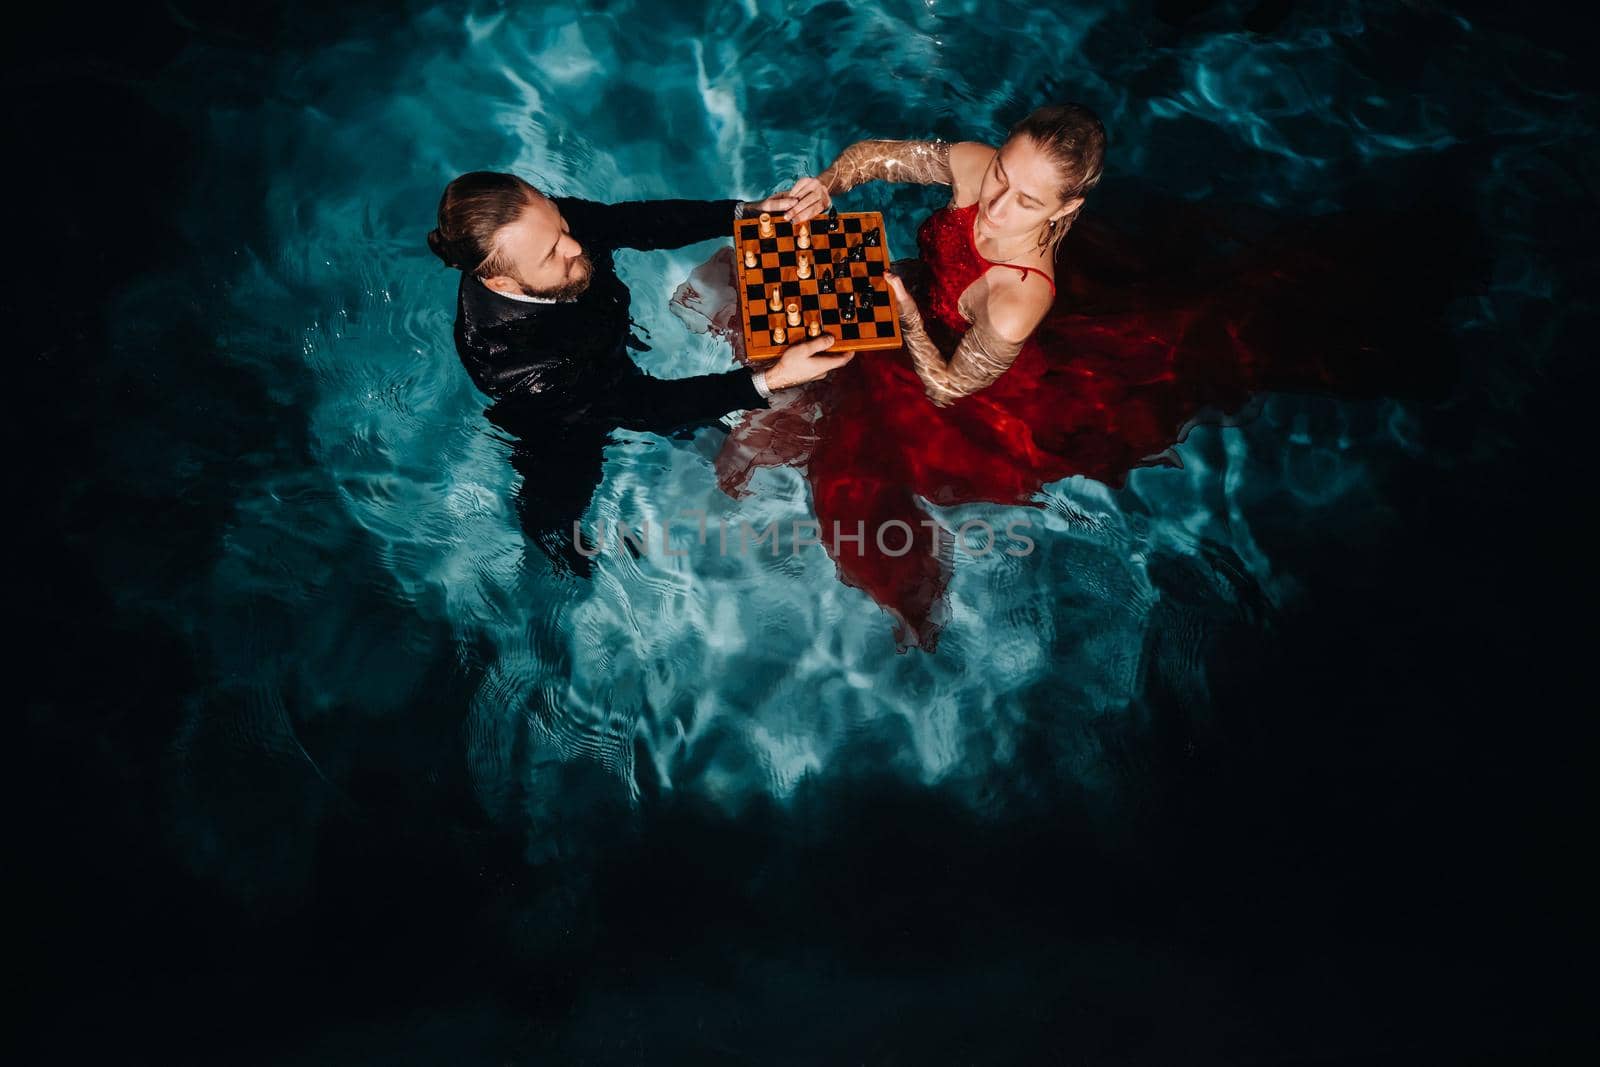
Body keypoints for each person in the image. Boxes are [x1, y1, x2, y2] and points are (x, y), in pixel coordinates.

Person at [677, 103, 1471, 652]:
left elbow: (955, 389)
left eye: (1026, 202)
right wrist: (832, 182)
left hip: (968, 373)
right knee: (776, 276)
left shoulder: (1022, 295)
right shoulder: (980, 170)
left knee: (857, 452)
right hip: (915, 305)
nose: (995, 207)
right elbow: (880, 155)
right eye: (999, 179)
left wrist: (905, 317)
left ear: (1064, 212)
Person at [428, 170, 846, 577]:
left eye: (560, 225)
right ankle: (550, 550)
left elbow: (631, 223)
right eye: (552, 253)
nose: (574, 247)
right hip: (564, 420)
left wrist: (741, 213)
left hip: (601, 347)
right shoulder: (515, 360)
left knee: (702, 421)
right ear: (503, 279)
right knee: (561, 498)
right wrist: (769, 379)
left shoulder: (543, 228)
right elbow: (642, 404)